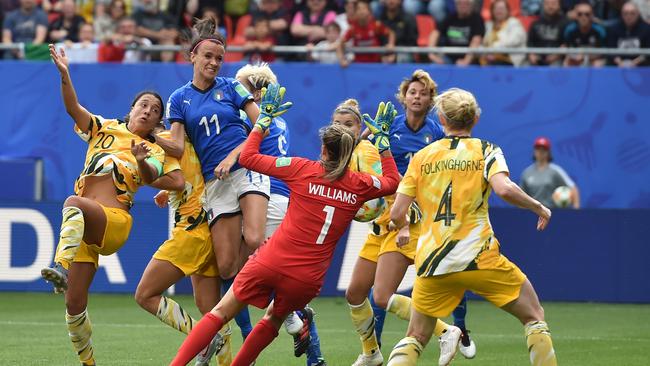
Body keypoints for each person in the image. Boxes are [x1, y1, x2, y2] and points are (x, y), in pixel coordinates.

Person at [170, 87, 400, 366]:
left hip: (271, 261)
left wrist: (262, 123)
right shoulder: (360, 185)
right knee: (274, 319)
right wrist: (384, 146)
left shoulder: (301, 169)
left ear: (324, 149)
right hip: (308, 279)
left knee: (220, 312)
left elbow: (249, 157)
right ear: (350, 152)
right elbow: (393, 181)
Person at [386, 88, 557, 366]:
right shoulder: (487, 150)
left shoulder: (422, 157)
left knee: (416, 335)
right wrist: (538, 207)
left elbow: (396, 213)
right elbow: (504, 188)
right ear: (475, 119)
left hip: (433, 263)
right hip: (480, 259)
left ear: (441, 119)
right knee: (534, 315)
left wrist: (403, 225)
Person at [39, 44, 184, 366]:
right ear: (131, 109)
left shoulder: (154, 150)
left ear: (158, 121)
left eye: (155, 110)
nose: (148, 111)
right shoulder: (103, 128)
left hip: (113, 221)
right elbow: (72, 107)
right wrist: (64, 74)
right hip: (82, 226)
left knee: (72, 202)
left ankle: (60, 265)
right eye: (143, 105)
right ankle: (88, 363)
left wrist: (141, 161)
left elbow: (153, 177)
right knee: (74, 305)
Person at [346, 69, 475, 366]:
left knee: (432, 280)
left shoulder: (437, 133)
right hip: (385, 218)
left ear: (431, 100)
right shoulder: (388, 127)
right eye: (412, 92)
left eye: (423, 93)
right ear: (403, 97)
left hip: (416, 218)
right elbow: (357, 150)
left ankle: (455, 328)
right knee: (358, 292)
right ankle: (372, 352)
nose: (417, 96)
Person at [161, 18, 265, 343]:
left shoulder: (231, 86)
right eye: (208, 56)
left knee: (256, 237)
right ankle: (246, 318)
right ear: (192, 56)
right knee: (225, 267)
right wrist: (150, 135)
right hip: (214, 182)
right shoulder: (178, 98)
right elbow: (176, 146)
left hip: (244, 167)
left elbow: (260, 123)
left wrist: (234, 155)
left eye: (219, 58)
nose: (214, 63)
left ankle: (284, 308)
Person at [236, 63, 327, 366]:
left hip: (268, 194)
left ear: (256, 91)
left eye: (241, 88)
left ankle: (293, 317)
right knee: (250, 270)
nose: (235, 94)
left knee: (258, 265)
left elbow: (240, 151)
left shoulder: (258, 118)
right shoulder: (276, 119)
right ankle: (311, 349)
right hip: (268, 194)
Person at [134, 124, 233, 366]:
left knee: (145, 295)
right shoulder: (190, 143)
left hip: (190, 233)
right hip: (210, 229)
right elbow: (191, 178)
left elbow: (172, 179)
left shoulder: (162, 140)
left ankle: (203, 339)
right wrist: (168, 193)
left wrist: (149, 172)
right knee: (213, 311)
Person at [520, 136, 580, 209]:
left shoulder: (556, 171)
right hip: (533, 212)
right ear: (534, 151)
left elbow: (573, 188)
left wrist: (576, 211)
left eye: (544, 149)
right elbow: (521, 196)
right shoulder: (526, 173)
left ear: (548, 152)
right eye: (538, 149)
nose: (541, 152)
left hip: (552, 212)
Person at [337, 0, 395, 66]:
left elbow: (391, 33)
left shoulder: (376, 25)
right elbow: (340, 44)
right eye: (359, 9)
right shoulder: (353, 29)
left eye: (364, 8)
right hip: (359, 66)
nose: (362, 11)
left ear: (369, 12)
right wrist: (341, 60)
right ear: (355, 12)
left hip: (376, 65)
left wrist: (391, 43)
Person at [428, 0, 485, 65]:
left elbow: (476, 40)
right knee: (434, 66)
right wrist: (431, 54)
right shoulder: (450, 17)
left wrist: (466, 60)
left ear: (471, 5)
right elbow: (435, 33)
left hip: (469, 59)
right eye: (459, 3)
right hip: (448, 57)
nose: (462, 6)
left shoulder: (477, 19)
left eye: (466, 3)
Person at [481, 0, 527, 66]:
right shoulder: (488, 25)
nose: (499, 11)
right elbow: (482, 43)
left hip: (509, 61)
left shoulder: (514, 23)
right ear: (492, 10)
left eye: (501, 8)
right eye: (496, 8)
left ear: (507, 10)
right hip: (488, 59)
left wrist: (491, 51)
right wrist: (485, 54)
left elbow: (511, 41)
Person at [562, 1, 607, 67]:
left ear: (592, 16)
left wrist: (586, 56)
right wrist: (575, 57)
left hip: (594, 59)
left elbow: (604, 51)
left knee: (598, 64)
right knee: (566, 62)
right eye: (580, 14)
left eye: (587, 14)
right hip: (576, 59)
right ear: (576, 16)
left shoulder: (599, 31)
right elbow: (566, 48)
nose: (583, 17)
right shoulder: (570, 30)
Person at [607, 1, 650, 67]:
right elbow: (611, 50)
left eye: (632, 13)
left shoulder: (647, 29)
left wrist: (634, 63)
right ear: (621, 14)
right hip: (618, 66)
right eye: (625, 13)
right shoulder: (613, 29)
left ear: (638, 14)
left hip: (641, 67)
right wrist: (620, 63)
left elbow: (647, 52)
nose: (629, 16)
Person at [527, 0, 569, 66]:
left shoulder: (566, 23)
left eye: (553, 4)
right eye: (547, 3)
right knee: (525, 68)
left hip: (557, 59)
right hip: (537, 58)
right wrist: (531, 55)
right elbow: (529, 43)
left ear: (559, 5)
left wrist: (556, 56)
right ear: (543, 5)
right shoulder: (535, 23)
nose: (550, 6)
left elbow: (566, 44)